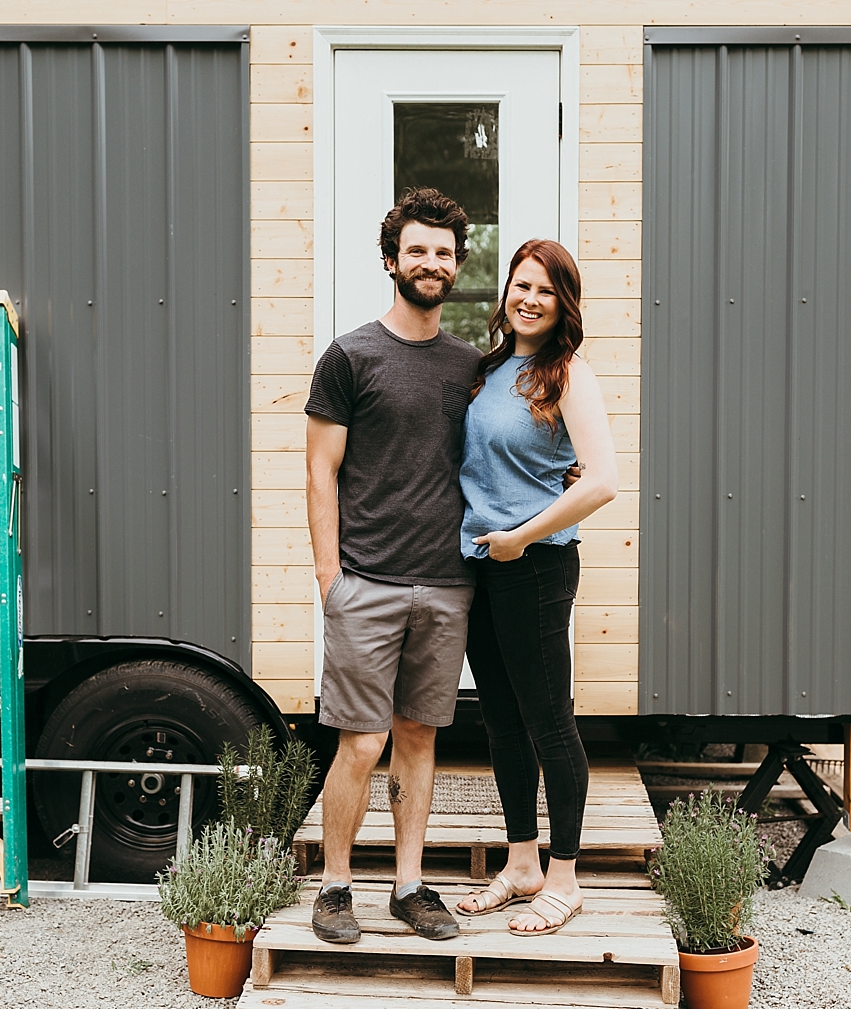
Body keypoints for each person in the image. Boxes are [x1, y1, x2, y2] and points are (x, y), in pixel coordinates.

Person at [303, 188, 481, 944]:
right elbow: (319, 472)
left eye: (442, 252)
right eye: (417, 250)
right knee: (360, 739)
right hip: (366, 582)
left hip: (447, 584)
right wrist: (328, 580)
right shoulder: (349, 356)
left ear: (457, 265)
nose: (430, 262)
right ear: (391, 261)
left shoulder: (473, 366)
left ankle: (410, 885)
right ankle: (335, 885)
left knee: (417, 735)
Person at [452, 239, 618, 936]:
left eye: (544, 290)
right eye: (520, 285)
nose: (528, 298)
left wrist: (523, 534)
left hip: (538, 564)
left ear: (562, 303)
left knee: (549, 720)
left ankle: (564, 875)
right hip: (479, 565)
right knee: (501, 720)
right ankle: (520, 862)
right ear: (505, 292)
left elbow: (603, 479)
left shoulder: (567, 373)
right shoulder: (489, 369)